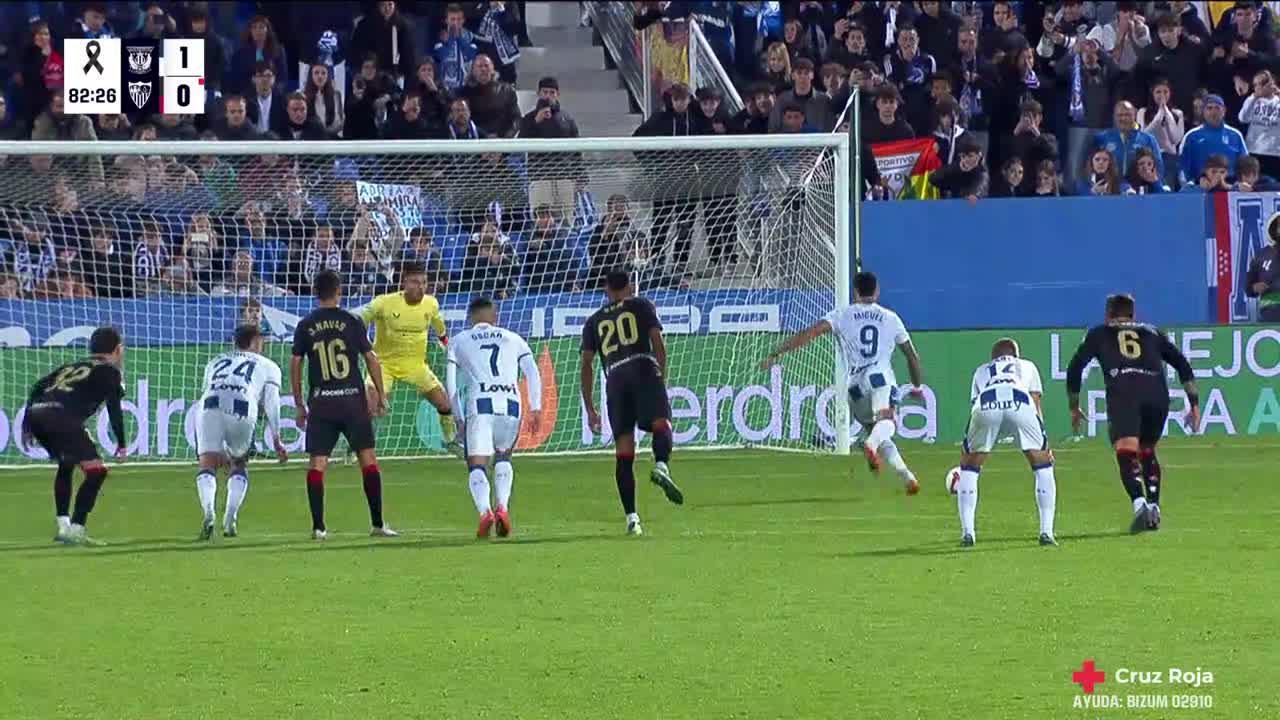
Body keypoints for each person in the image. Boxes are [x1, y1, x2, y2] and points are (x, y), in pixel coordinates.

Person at [761, 271, 923, 493]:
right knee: (887, 423)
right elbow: (912, 357)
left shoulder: (841, 315)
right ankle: (870, 445)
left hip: (855, 387)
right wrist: (917, 386)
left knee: (874, 429)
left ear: (855, 291)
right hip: (880, 378)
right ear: (876, 291)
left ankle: (907, 477)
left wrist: (776, 352)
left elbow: (810, 333)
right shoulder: (890, 318)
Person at [1066, 294, 1200, 533]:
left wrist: (1074, 405)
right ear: (1133, 314)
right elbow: (1182, 364)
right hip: (1157, 395)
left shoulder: (1099, 333)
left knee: (1126, 449)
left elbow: (1076, 367)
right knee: (1147, 449)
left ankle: (1140, 506)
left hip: (1124, 392)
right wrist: (1195, 404)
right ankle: (1155, 506)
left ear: (1108, 314)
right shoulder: (1153, 332)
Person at [290, 270, 395, 540]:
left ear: (316, 293)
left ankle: (318, 527)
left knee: (317, 463)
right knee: (368, 460)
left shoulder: (306, 324)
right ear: (339, 292)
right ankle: (378, 524)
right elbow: (370, 358)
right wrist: (381, 394)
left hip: (322, 403)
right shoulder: (351, 321)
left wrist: (300, 403)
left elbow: (296, 363)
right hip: (352, 401)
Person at [579, 270, 684, 536]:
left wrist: (590, 407)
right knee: (662, 423)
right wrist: (660, 375)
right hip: (642, 367)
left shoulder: (594, 320)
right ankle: (661, 465)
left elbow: (587, 364)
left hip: (614, 378)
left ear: (606, 289)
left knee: (624, 450)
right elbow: (658, 342)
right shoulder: (641, 304)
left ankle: (632, 519)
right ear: (630, 286)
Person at [446, 297, 542, 538]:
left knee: (477, 464)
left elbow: (451, 384)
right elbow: (532, 371)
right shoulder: (513, 338)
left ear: (470, 317)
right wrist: (536, 407)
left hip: (480, 405)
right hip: (511, 404)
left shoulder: (458, 341)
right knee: (503, 457)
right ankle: (503, 508)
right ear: (494, 316)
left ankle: (485, 512)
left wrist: (457, 416)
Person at [23, 326, 127, 545]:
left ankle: (64, 526)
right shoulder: (110, 371)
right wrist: (122, 442)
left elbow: (38, 386)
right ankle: (77, 529)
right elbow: (114, 408)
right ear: (118, 349)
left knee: (67, 461)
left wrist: (26, 423)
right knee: (96, 471)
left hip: (37, 413)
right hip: (60, 417)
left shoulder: (72, 366)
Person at [952, 338, 1057, 547]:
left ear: (993, 358)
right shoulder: (1027, 366)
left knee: (969, 466)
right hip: (1019, 401)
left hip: (986, 402)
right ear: (1016, 355)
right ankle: (1047, 532)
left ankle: (968, 533)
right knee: (1042, 464)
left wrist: (977, 445)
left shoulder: (981, 370)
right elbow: (1035, 403)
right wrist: (1044, 443)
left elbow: (977, 408)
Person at [194, 325, 287, 540]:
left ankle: (208, 512)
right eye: (262, 340)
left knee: (207, 463)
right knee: (239, 463)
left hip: (208, 406)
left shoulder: (215, 361)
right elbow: (272, 403)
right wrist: (276, 437)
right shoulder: (268, 365)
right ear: (255, 342)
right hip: (242, 407)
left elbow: (207, 389)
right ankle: (230, 519)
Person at [358, 261, 457, 449]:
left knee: (444, 404)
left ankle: (451, 441)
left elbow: (440, 329)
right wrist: (362, 343)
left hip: (415, 365)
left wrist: (446, 344)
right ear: (404, 283)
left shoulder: (431, 304)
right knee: (369, 408)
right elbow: (360, 319)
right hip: (384, 365)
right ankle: (359, 448)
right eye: (415, 282)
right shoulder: (384, 302)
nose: (420, 287)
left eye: (424, 283)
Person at [1178, 94, 1247, 185]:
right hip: (1200, 187)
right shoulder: (1191, 136)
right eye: (1209, 108)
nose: (1213, 112)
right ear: (1203, 111)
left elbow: (1245, 165)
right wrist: (1189, 187)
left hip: (1231, 188)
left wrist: (1241, 184)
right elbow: (1182, 167)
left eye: (1217, 108)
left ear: (1224, 110)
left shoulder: (1236, 135)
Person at [1238, 70, 1280, 179]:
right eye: (1255, 84)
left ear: (1272, 82)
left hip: (1275, 152)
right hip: (1254, 151)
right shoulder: (1252, 100)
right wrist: (1254, 97)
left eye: (1263, 83)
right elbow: (1242, 118)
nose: (1259, 87)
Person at [1246, 211, 1280, 321]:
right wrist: (1255, 287)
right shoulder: (1261, 256)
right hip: (1271, 309)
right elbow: (1248, 288)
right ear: (1274, 229)